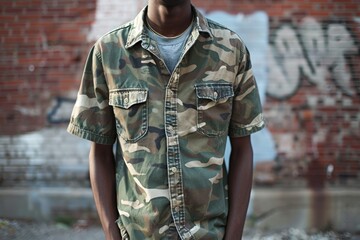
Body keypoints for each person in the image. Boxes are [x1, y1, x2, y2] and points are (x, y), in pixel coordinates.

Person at [67, 0, 265, 239]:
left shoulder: (231, 49)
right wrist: (111, 232)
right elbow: (99, 152)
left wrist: (233, 236)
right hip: (138, 233)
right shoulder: (109, 52)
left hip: (208, 233)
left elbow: (243, 148)